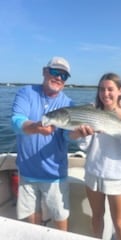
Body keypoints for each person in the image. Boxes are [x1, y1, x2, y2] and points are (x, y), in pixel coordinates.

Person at [71, 72, 121, 240]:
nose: (105, 94)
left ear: (120, 91)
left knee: (119, 222)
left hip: (117, 176)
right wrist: (82, 134)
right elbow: (84, 146)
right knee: (96, 217)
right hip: (93, 174)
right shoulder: (91, 112)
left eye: (110, 89)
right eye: (102, 89)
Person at [11, 56, 75, 231]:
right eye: (55, 72)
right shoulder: (26, 92)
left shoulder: (69, 104)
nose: (59, 78)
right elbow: (17, 122)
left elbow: (69, 136)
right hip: (26, 171)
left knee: (60, 217)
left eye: (64, 75)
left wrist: (80, 134)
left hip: (55, 174)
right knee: (31, 222)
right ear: (44, 72)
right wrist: (36, 127)